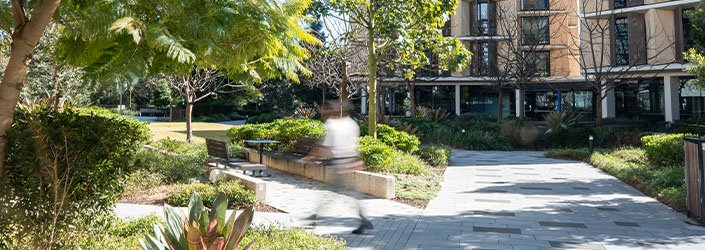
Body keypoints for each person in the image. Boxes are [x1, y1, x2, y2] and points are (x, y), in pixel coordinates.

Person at [301, 100, 374, 234]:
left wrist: (310, 158)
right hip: (349, 162)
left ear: (332, 111)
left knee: (330, 194)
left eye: (325, 110)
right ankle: (364, 220)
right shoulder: (352, 124)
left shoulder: (331, 124)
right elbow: (355, 146)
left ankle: (314, 218)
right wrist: (358, 162)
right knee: (349, 193)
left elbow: (326, 147)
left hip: (339, 164)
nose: (322, 112)